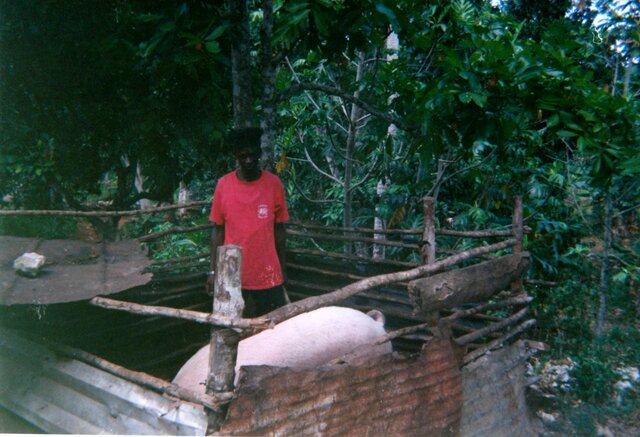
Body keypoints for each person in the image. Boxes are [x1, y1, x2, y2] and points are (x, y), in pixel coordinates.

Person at [208, 127, 289, 318]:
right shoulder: (224, 185)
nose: (248, 160)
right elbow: (217, 231)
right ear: (235, 155)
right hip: (231, 276)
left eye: (253, 155)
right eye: (243, 155)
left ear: (260, 152)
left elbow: (280, 231)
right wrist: (213, 272)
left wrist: (283, 270)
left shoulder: (273, 184)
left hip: (268, 275)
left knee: (272, 331)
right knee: (231, 332)